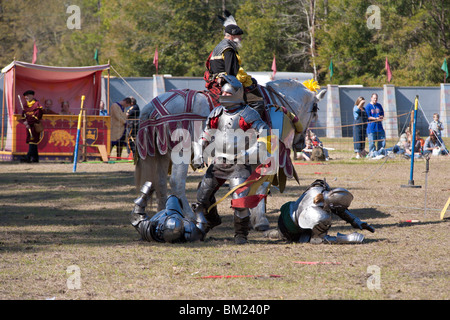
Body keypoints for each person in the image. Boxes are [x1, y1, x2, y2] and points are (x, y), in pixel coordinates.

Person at [192, 75, 270, 244]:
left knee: (240, 201)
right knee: (202, 197)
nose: (224, 96)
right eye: (223, 94)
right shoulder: (216, 112)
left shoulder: (247, 113)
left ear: (236, 94)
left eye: (228, 94)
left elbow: (264, 134)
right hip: (219, 161)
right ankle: (210, 221)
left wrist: (249, 154)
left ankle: (241, 234)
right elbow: (204, 136)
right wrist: (199, 153)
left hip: (239, 164)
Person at [265, 179, 375, 244]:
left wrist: (356, 221)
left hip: (288, 209)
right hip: (289, 226)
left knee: (281, 233)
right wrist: (347, 238)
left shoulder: (322, 191)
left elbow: (339, 210)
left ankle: (273, 233)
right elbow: (317, 240)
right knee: (284, 235)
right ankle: (274, 233)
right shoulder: (319, 215)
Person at [204, 10, 260, 109]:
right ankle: (251, 124)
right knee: (257, 100)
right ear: (232, 36)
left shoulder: (219, 46)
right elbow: (231, 72)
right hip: (226, 83)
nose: (241, 39)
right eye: (239, 36)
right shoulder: (228, 49)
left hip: (216, 81)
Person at [130, 182, 208, 243]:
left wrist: (144, 195)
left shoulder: (151, 231)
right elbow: (201, 230)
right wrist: (199, 212)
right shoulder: (188, 231)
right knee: (173, 199)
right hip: (175, 214)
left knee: (172, 199)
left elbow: (136, 217)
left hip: (161, 217)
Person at [18, 90, 43, 163]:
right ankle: (35, 158)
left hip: (34, 126)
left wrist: (29, 122)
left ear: (32, 96)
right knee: (31, 141)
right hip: (28, 126)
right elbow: (23, 115)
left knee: (32, 140)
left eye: (28, 95)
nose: (26, 97)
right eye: (25, 96)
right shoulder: (25, 105)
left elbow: (38, 116)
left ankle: (28, 157)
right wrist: (25, 122)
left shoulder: (37, 104)